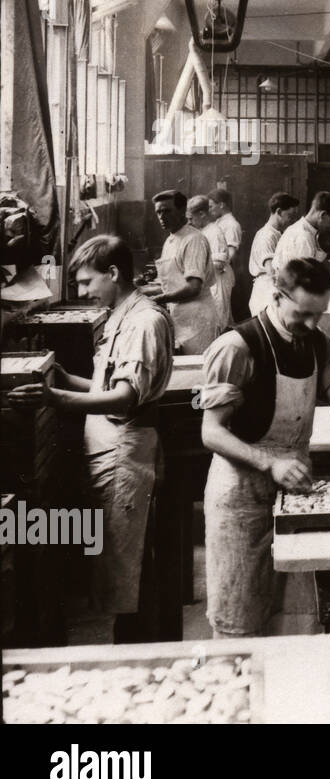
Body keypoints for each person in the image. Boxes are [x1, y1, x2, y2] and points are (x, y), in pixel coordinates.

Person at [200, 258, 330, 637]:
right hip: (240, 495)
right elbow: (211, 432)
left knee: (294, 616)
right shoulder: (237, 348)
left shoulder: (317, 343)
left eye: (318, 315)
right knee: (239, 615)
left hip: (295, 490)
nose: (312, 325)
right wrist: (270, 463)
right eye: (303, 314)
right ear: (277, 297)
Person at [7, 236, 174, 643]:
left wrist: (55, 397)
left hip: (125, 452)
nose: (82, 292)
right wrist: (66, 378)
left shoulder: (144, 321)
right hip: (111, 447)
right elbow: (108, 382)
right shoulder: (122, 313)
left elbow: (126, 396)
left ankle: (135, 659)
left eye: (86, 282)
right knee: (118, 568)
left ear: (114, 274)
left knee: (126, 571)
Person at [143, 189, 221, 355]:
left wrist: (161, 298)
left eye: (167, 211)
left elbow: (193, 287)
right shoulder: (171, 239)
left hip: (197, 319)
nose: (162, 217)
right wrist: (142, 291)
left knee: (198, 370)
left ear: (182, 211)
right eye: (158, 212)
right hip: (181, 317)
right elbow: (172, 283)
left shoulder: (193, 240)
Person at [248, 193, 300, 317]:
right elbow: (271, 270)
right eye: (290, 216)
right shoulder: (266, 236)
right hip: (266, 289)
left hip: (272, 287)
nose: (292, 220)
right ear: (279, 211)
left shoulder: (278, 234)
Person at [186, 195, 233, 330]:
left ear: (201, 214)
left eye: (190, 218)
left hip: (217, 283)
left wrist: (194, 267)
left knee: (218, 322)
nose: (189, 222)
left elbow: (218, 264)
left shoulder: (214, 232)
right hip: (210, 282)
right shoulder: (204, 231)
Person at [275, 191, 330, 269]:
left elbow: (320, 263)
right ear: (323, 215)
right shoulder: (303, 236)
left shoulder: (307, 231)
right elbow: (305, 276)